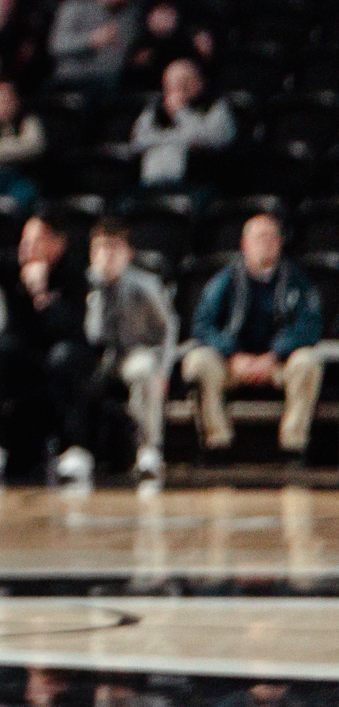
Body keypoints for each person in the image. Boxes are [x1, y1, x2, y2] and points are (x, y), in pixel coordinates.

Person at [180, 211, 325, 462]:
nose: (266, 244)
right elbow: (202, 326)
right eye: (259, 238)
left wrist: (274, 355)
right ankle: (217, 444)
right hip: (234, 363)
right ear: (244, 245)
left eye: (271, 238)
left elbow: (310, 326)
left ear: (280, 244)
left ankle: (293, 446)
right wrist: (233, 354)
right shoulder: (224, 281)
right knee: (197, 362)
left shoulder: (297, 281)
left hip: (279, 363)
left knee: (308, 362)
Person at [0, 214, 85, 485]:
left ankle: (74, 448)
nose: (26, 248)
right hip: (23, 350)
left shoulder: (73, 273)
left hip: (62, 349)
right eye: (24, 241)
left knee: (65, 358)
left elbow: (68, 327)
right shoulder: (13, 264)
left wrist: (40, 293)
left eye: (35, 242)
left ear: (57, 245)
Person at [78, 220, 176, 485]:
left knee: (145, 370)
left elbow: (167, 331)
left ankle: (149, 449)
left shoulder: (146, 285)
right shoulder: (83, 285)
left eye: (114, 248)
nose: (107, 255)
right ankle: (78, 449)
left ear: (128, 253)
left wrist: (163, 370)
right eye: (100, 248)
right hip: (97, 356)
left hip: (135, 352)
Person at [127, 59, 235, 187]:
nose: (177, 91)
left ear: (199, 83)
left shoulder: (216, 106)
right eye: (171, 85)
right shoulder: (156, 108)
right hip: (152, 180)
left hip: (200, 176)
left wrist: (181, 112)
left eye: (183, 83)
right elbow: (138, 140)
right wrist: (174, 139)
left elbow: (212, 139)